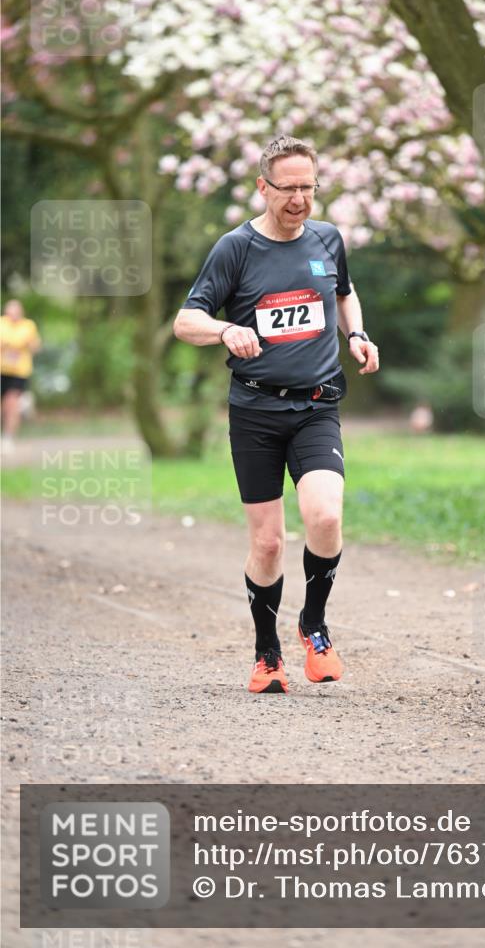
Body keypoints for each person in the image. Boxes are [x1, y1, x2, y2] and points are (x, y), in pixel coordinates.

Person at [174, 135, 379, 694]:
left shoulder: (328, 239)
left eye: (307, 187)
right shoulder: (234, 249)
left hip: (316, 406)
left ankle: (313, 625)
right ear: (262, 187)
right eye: (287, 188)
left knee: (326, 517)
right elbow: (185, 320)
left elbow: (342, 293)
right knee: (267, 544)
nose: (298, 199)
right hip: (256, 411)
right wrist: (226, 328)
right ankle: (267, 654)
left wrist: (356, 333)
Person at [0, 299, 41, 452]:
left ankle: (8, 438)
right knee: (4, 407)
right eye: (10, 312)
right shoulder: (1, 324)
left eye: (16, 312)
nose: (13, 315)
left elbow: (36, 347)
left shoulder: (28, 326)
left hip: (19, 372)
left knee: (11, 404)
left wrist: (29, 344)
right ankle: (26, 404)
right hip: (1, 370)